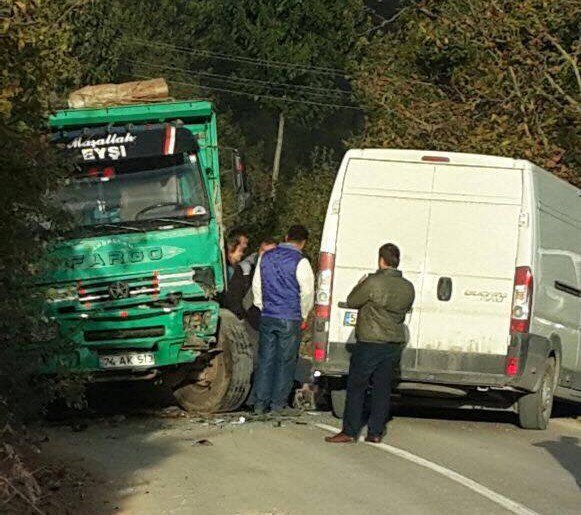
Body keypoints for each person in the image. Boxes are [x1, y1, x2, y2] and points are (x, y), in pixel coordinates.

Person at [325, 243, 415, 444]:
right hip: (392, 342)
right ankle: (375, 432)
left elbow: (353, 301)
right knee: (382, 389)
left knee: (357, 387)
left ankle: (350, 430)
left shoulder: (374, 282)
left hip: (370, 340)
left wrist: (360, 283)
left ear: (381, 260)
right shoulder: (408, 287)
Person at [252, 225, 314, 415]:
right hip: (289, 316)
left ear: (286, 237)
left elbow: (257, 285)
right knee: (285, 361)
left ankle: (260, 403)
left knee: (265, 360)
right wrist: (304, 314)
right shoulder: (301, 261)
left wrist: (262, 306)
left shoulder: (265, 256)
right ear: (303, 242)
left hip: (269, 315)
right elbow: (307, 292)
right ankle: (278, 404)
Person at [223, 238, 277, 331]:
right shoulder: (246, 269)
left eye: (270, 253)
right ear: (259, 251)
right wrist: (243, 319)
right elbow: (233, 297)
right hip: (251, 323)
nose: (266, 256)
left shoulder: (283, 271)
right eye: (263, 251)